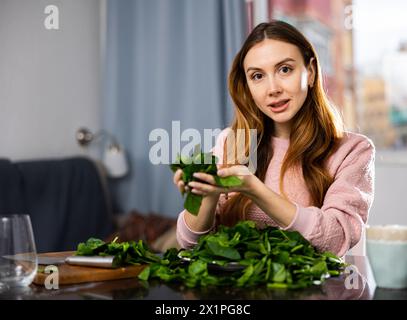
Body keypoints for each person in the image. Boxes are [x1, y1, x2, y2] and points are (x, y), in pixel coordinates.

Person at [173, 20, 375, 257]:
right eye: (257, 76)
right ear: (247, 85)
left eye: (285, 69)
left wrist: (255, 190)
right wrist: (206, 197)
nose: (272, 88)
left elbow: (336, 239)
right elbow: (190, 245)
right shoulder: (233, 142)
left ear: (310, 72)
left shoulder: (353, 151)